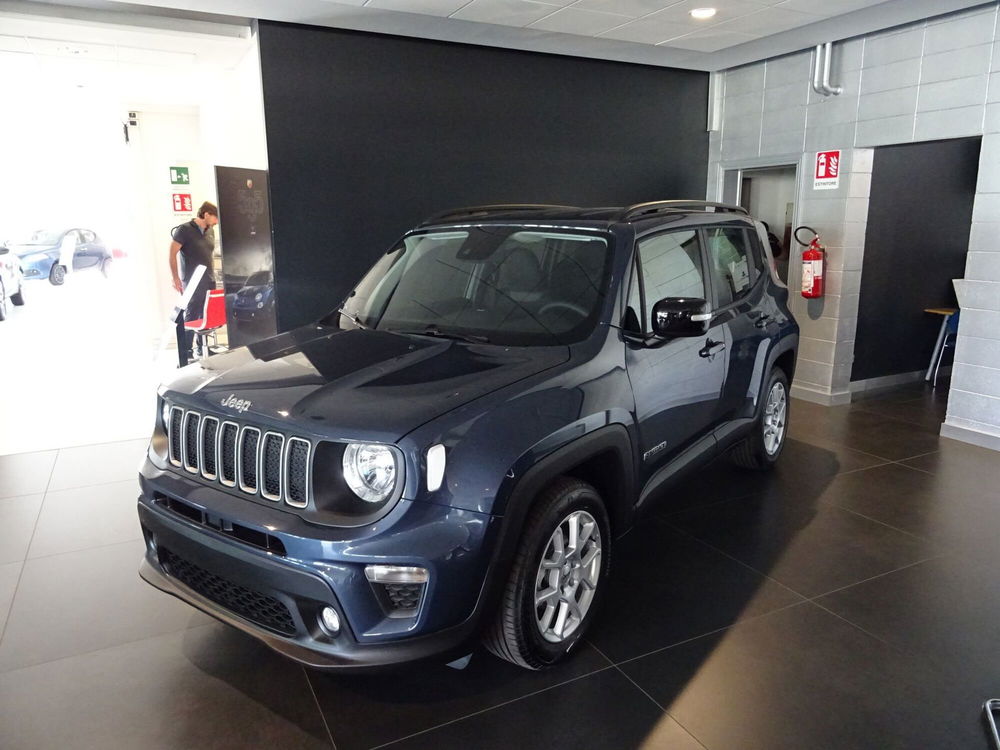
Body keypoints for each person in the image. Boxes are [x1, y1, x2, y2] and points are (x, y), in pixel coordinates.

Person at [169, 201, 219, 363]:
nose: (216, 223)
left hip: (209, 279)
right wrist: (176, 277)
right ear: (206, 214)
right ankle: (187, 350)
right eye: (215, 218)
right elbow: (172, 254)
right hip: (192, 280)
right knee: (192, 312)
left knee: (205, 313)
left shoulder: (210, 231)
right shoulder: (184, 230)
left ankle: (201, 345)